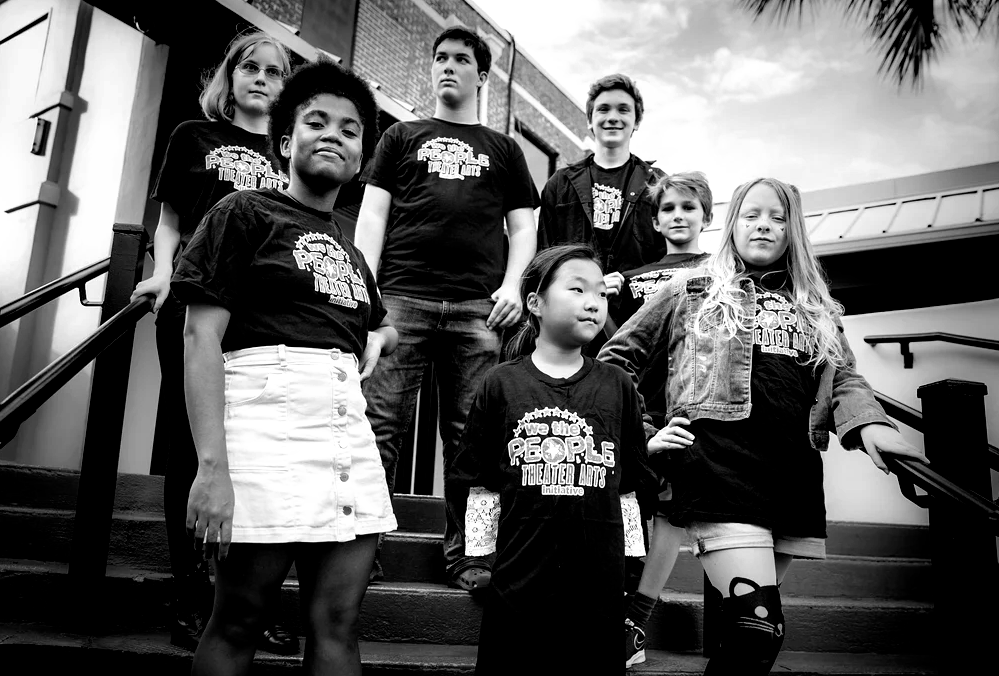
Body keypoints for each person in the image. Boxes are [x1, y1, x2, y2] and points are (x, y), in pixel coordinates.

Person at [599, 178, 928, 674]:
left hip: (791, 477)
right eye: (752, 214)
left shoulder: (815, 307)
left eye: (777, 217)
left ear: (792, 230)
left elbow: (842, 378)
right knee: (757, 629)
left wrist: (870, 426)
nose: (763, 225)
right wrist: (645, 432)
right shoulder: (690, 290)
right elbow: (615, 361)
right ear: (733, 225)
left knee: (749, 637)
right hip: (717, 469)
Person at [173, 58, 398, 676]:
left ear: (359, 160)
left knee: (339, 625)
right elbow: (200, 336)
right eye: (316, 121)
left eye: (350, 130)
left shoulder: (352, 251)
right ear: (284, 141)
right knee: (240, 618)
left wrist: (381, 337)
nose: (334, 135)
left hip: (345, 433)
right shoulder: (244, 212)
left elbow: (374, 320)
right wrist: (212, 467)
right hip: (262, 422)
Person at [128, 31, 297, 655]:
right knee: (193, 447)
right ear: (230, 76)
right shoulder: (192, 137)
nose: (260, 78)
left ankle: (249, 602)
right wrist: (163, 271)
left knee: (254, 455)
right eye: (248, 67)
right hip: (196, 305)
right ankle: (193, 598)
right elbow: (170, 221)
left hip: (263, 320)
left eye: (274, 71)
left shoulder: (289, 152)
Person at [354, 26, 539, 592]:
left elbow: (524, 226)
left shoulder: (503, 148)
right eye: (440, 58)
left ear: (482, 76)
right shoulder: (400, 137)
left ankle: (470, 555)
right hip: (400, 301)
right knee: (377, 427)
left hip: (477, 309)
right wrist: (365, 295)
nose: (448, 66)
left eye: (461, 59)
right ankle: (362, 551)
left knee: (471, 438)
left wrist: (512, 287)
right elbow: (372, 218)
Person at [448, 244, 659, 675]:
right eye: (577, 289)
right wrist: (480, 558)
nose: (593, 303)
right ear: (535, 303)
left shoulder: (617, 385)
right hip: (517, 576)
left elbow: (633, 484)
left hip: (597, 582)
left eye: (601, 294)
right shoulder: (501, 383)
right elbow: (476, 478)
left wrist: (630, 567)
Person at [608, 171, 712, 667]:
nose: (678, 216)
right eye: (669, 208)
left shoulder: (720, 272)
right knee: (628, 501)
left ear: (708, 217)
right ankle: (611, 606)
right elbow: (618, 340)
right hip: (637, 405)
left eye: (689, 208)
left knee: (672, 510)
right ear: (655, 219)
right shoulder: (633, 277)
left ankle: (636, 618)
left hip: (688, 406)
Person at [537, 74, 666, 308]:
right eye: (603, 109)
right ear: (590, 120)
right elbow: (544, 259)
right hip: (573, 317)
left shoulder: (658, 184)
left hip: (638, 318)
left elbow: (669, 260)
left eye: (623, 110)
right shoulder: (560, 184)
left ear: (636, 122)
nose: (613, 117)